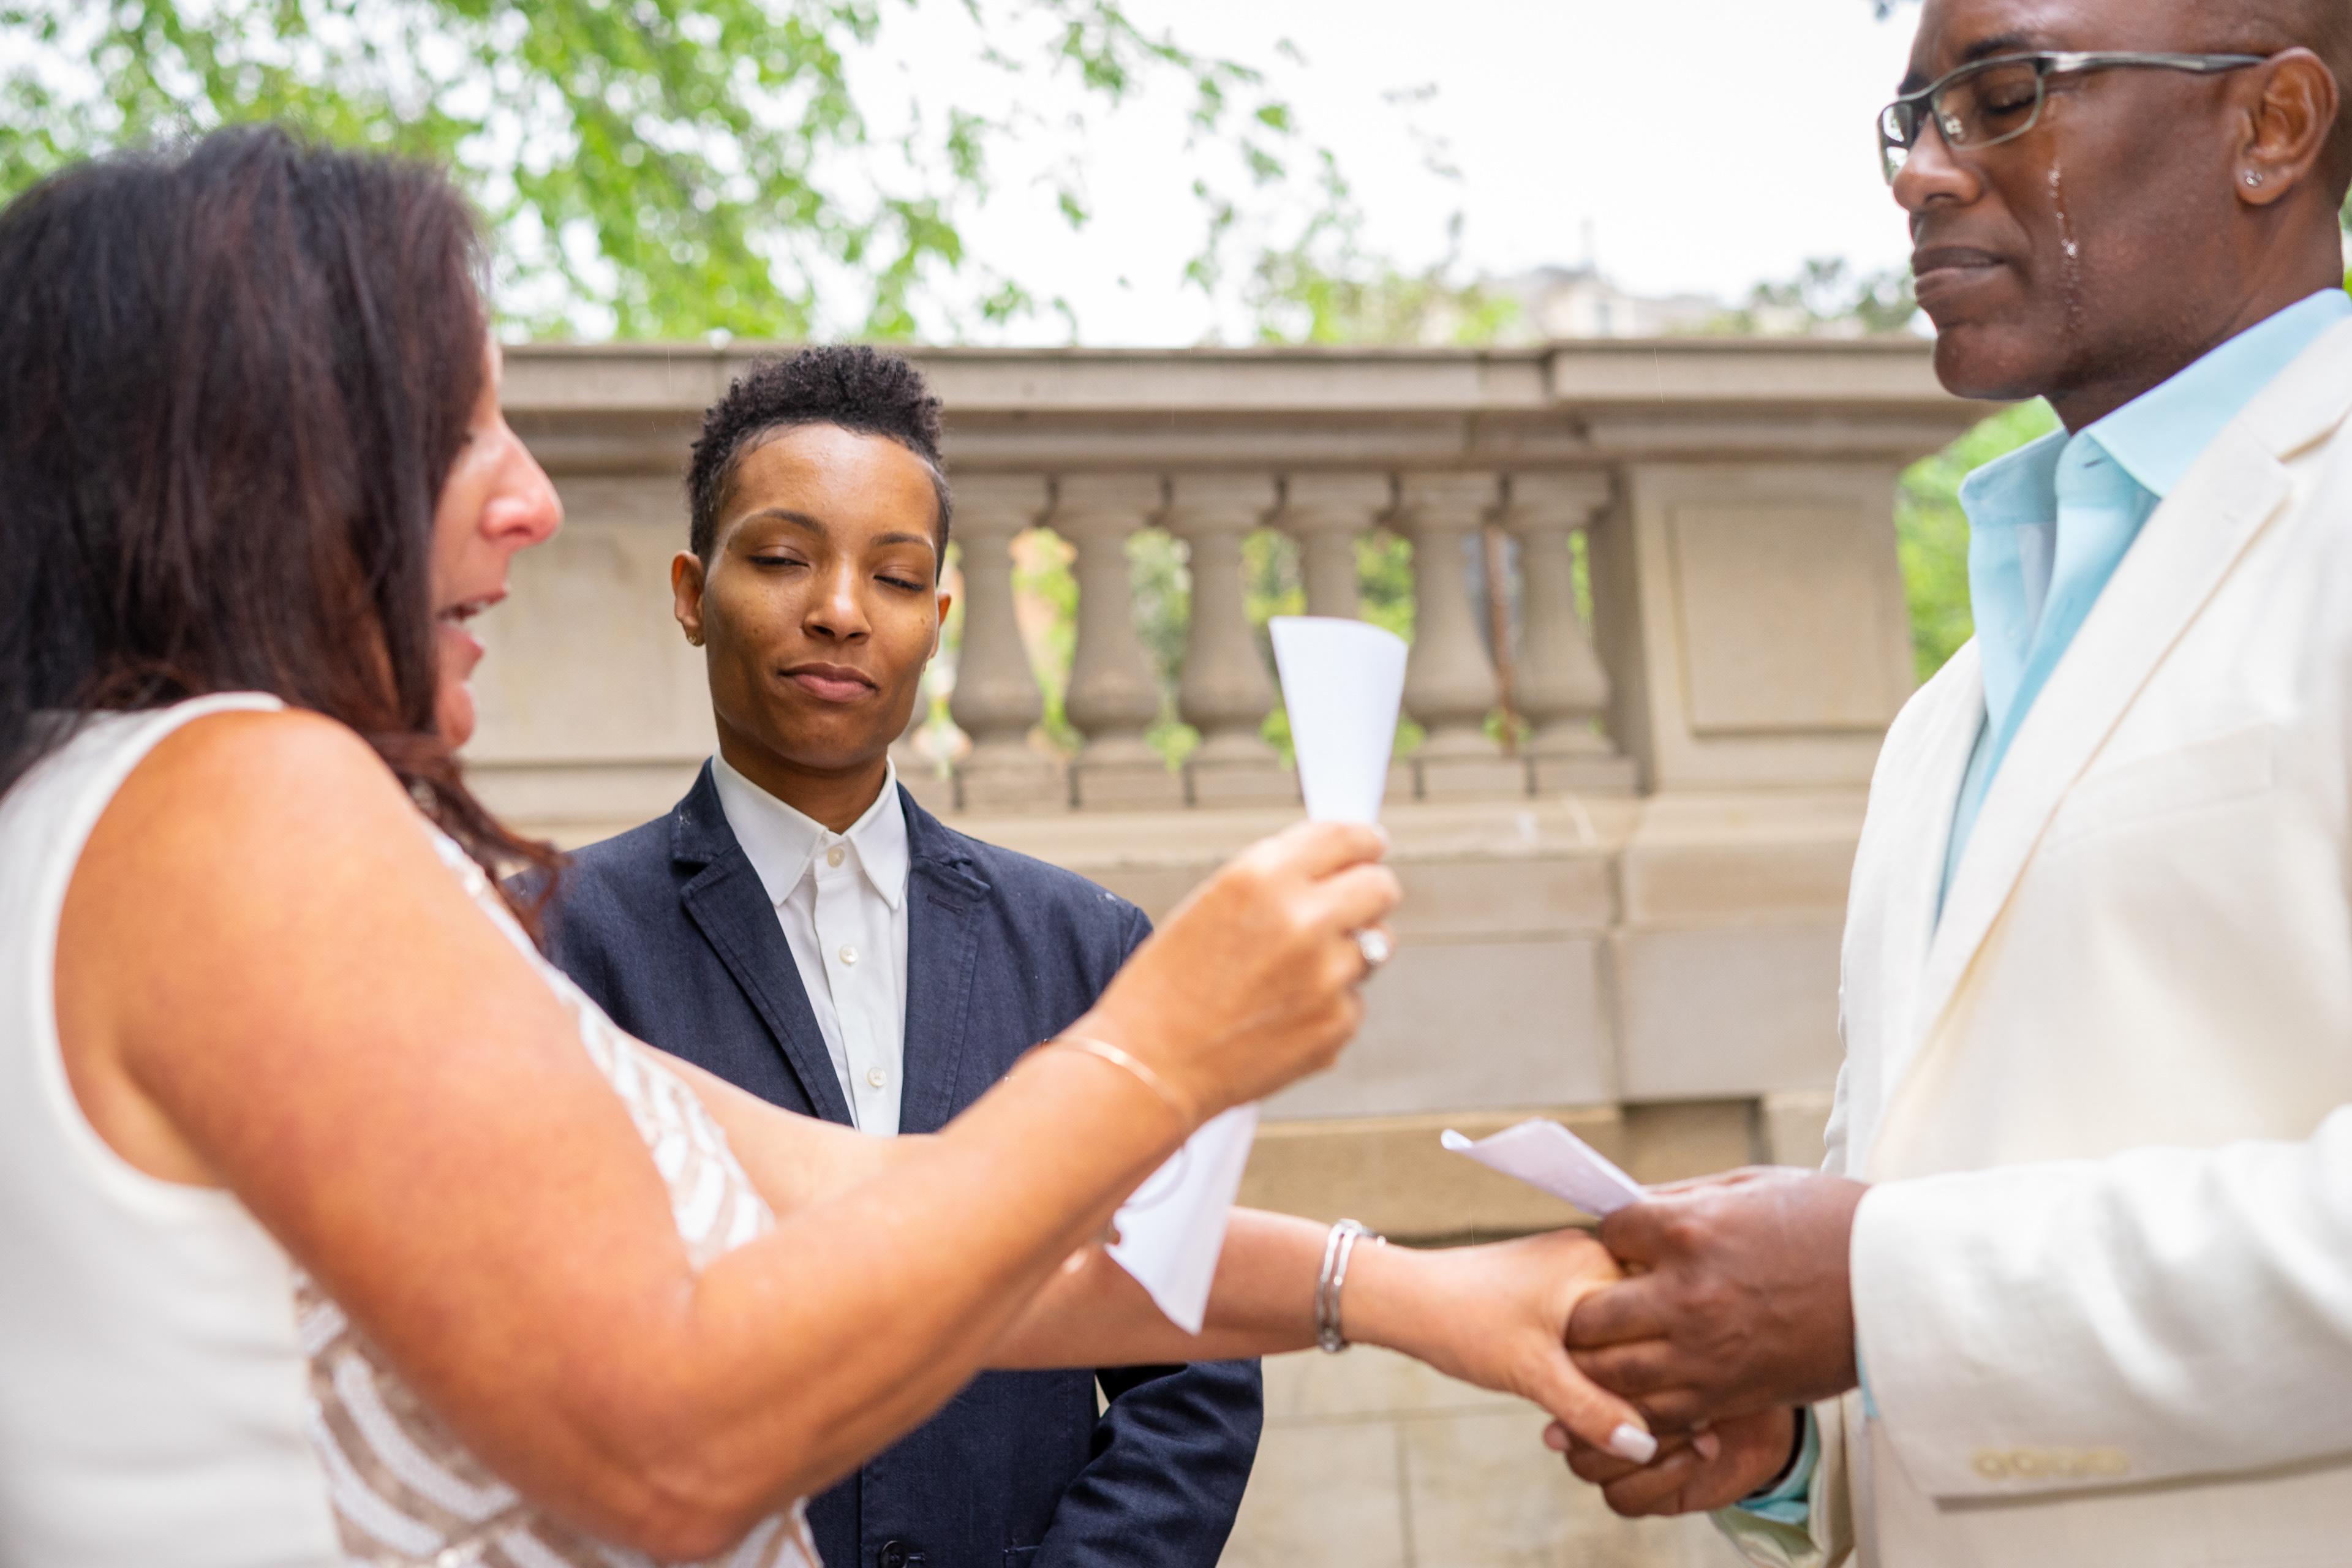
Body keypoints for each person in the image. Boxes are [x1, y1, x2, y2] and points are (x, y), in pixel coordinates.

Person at [0, 127, 1657, 1568]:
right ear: (264, 458)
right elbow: (671, 1442)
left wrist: (1418, 1292)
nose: (532, 500)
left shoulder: (115, 812)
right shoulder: (236, 803)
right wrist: (1161, 1056)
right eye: (463, 431)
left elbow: (868, 1213)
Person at [1550, 1, 2352, 1564]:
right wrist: (1793, 1426)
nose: (1920, 175)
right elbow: (1931, 1216)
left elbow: (1906, 1265)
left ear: (2272, 125)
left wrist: (1878, 1290)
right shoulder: (1948, 709)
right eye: (1909, 119)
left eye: (2001, 96)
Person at [537, 345, 1263, 1568]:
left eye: (896, 573)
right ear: (689, 588)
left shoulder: (1088, 948)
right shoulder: (552, 939)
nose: (838, 608)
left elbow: (1189, 1367)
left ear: (940, 614)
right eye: (780, 558)